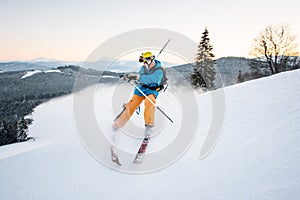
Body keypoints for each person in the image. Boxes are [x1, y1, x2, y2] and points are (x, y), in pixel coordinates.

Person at [112, 51, 164, 137]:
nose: (144, 64)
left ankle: (149, 127)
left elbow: (153, 80)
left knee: (150, 101)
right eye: (143, 62)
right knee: (131, 106)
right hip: (140, 90)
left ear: (151, 60)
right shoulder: (143, 68)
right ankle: (117, 125)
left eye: (146, 61)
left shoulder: (159, 70)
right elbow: (139, 78)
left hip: (151, 91)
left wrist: (137, 77)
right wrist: (131, 78)